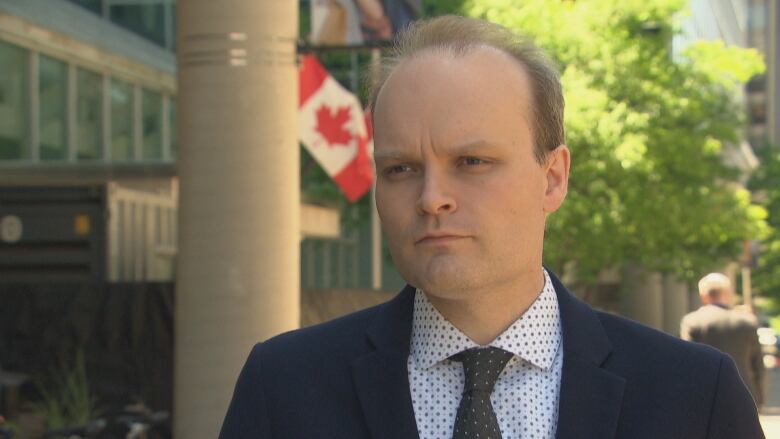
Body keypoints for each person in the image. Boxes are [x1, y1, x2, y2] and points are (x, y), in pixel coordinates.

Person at [219, 16, 764, 438]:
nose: (432, 198)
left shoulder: (694, 395)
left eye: (472, 162)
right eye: (401, 169)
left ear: (552, 178)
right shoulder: (284, 386)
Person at [681, 272, 766, 409]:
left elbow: (688, 362)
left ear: (703, 296)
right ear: (727, 294)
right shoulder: (747, 322)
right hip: (744, 395)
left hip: (705, 396)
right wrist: (760, 398)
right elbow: (758, 364)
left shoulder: (693, 321)